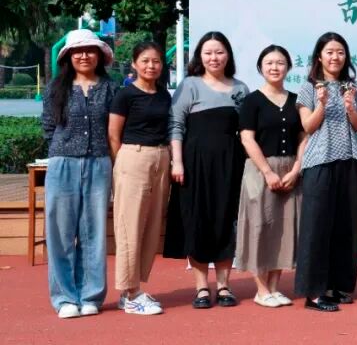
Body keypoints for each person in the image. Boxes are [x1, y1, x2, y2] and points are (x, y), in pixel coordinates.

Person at [164, 31, 249, 309]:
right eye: (208, 53)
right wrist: (177, 162)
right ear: (200, 56)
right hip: (194, 165)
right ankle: (201, 287)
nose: (214, 58)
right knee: (197, 221)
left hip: (231, 165)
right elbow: (176, 125)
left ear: (228, 56)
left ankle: (224, 286)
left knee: (226, 221)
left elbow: (247, 131)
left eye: (219, 52)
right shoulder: (189, 85)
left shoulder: (240, 88)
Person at [42, 29, 117, 319]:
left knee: (93, 232)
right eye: (77, 51)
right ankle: (64, 298)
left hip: (99, 162)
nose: (84, 56)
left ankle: (90, 296)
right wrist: (62, 150)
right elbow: (48, 126)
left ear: (99, 55)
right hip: (63, 164)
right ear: (68, 57)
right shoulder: (56, 88)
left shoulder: (110, 89)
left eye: (89, 50)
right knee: (60, 232)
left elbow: (116, 129)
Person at [295, 32, 357, 313]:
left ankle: (338, 286)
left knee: (347, 225)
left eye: (340, 52)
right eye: (330, 52)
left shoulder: (355, 88)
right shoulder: (308, 88)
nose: (335, 57)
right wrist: (322, 103)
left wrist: (350, 108)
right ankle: (314, 292)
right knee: (316, 226)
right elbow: (308, 127)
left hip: (351, 160)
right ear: (319, 57)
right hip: (319, 162)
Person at [236, 45, 304, 308]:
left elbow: (304, 137)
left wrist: (297, 168)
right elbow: (247, 138)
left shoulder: (296, 100)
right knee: (259, 226)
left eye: (280, 63)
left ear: (288, 67)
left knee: (284, 228)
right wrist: (267, 171)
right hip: (260, 169)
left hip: (290, 170)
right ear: (260, 67)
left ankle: (274, 287)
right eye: (269, 63)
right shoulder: (252, 100)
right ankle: (261, 289)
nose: (275, 67)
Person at [107, 40, 170, 316]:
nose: (151, 66)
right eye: (145, 60)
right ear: (134, 64)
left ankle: (131, 290)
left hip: (161, 158)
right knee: (129, 226)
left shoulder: (164, 95)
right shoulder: (125, 95)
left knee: (151, 226)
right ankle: (131, 294)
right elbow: (113, 135)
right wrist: (123, 164)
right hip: (133, 157)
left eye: (156, 61)